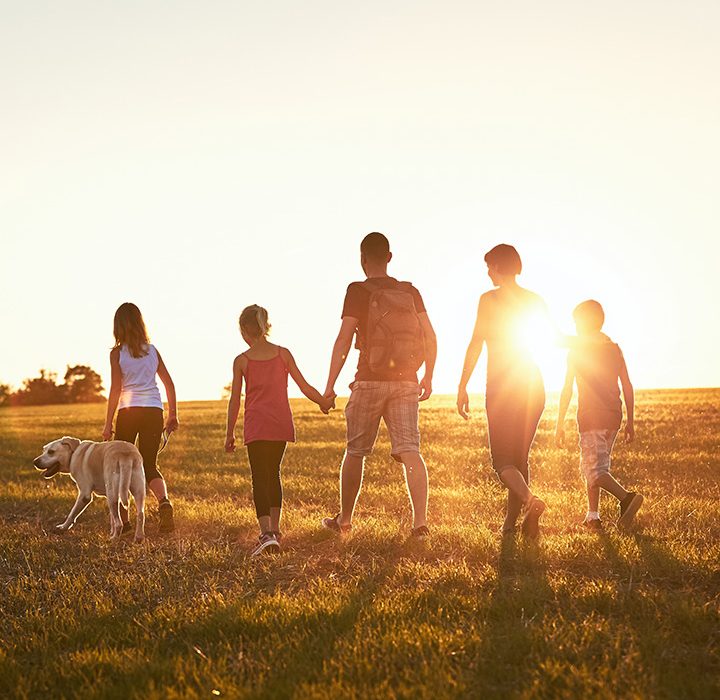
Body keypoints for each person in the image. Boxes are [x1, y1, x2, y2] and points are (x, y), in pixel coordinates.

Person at [321, 232, 437, 538]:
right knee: (410, 450)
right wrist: (428, 376)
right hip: (406, 380)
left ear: (362, 259)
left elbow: (344, 339)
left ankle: (345, 521)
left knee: (356, 451)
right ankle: (420, 524)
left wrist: (330, 385)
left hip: (369, 379)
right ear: (389, 257)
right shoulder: (410, 291)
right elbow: (430, 335)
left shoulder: (357, 290)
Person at [225, 304, 334, 557]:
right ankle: (275, 531)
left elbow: (235, 400)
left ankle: (266, 534)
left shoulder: (241, 360)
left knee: (259, 477)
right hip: (279, 423)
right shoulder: (283, 354)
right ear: (266, 326)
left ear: (244, 330)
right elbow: (304, 386)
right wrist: (323, 402)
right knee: (273, 474)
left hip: (257, 425)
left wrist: (230, 432)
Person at [457, 244, 549, 538]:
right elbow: (554, 338)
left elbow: (475, 342)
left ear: (498, 265)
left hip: (503, 388)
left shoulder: (489, 300)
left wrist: (462, 385)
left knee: (502, 462)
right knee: (519, 459)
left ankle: (530, 501)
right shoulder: (534, 300)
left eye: (489, 266)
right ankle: (512, 525)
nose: (487, 272)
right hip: (534, 386)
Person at [555, 300, 643, 530]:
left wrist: (559, 422)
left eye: (576, 323)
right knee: (595, 465)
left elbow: (567, 388)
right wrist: (630, 421)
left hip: (591, 417)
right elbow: (627, 385)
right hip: (614, 416)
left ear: (583, 323)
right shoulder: (614, 348)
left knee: (594, 471)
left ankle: (627, 498)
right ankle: (593, 516)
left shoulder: (578, 349)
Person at [103, 302, 179, 534]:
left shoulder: (117, 354)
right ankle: (164, 502)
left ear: (118, 326)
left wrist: (108, 425)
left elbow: (116, 389)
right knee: (149, 463)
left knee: (121, 466)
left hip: (128, 411)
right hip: (153, 410)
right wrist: (173, 414)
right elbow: (168, 383)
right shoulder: (152, 350)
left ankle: (124, 523)